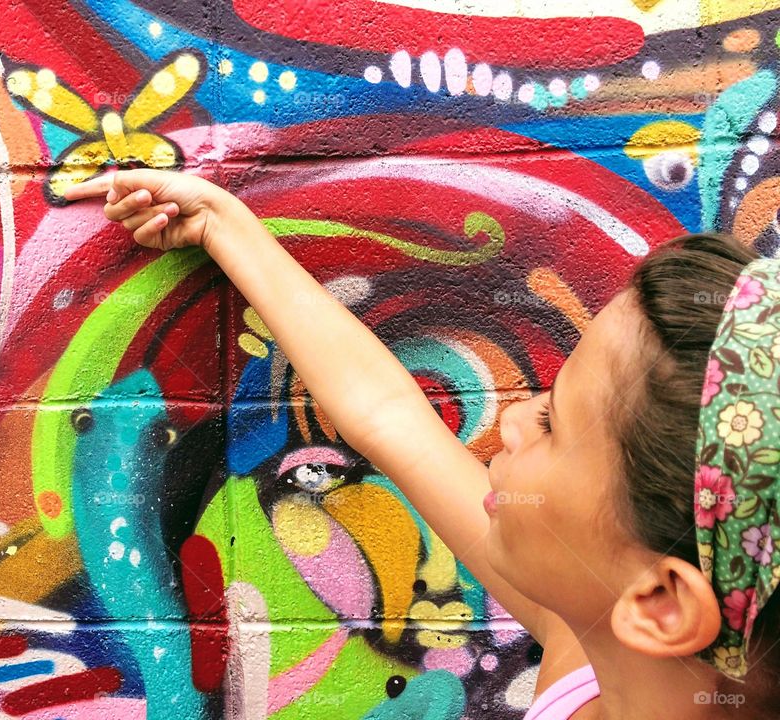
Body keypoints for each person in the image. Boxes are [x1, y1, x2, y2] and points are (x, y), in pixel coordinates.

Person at [63, 168, 780, 719]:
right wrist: (225, 224)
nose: (517, 420)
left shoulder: (578, 641)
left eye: (556, 426)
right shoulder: (593, 639)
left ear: (661, 604)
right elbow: (386, 414)